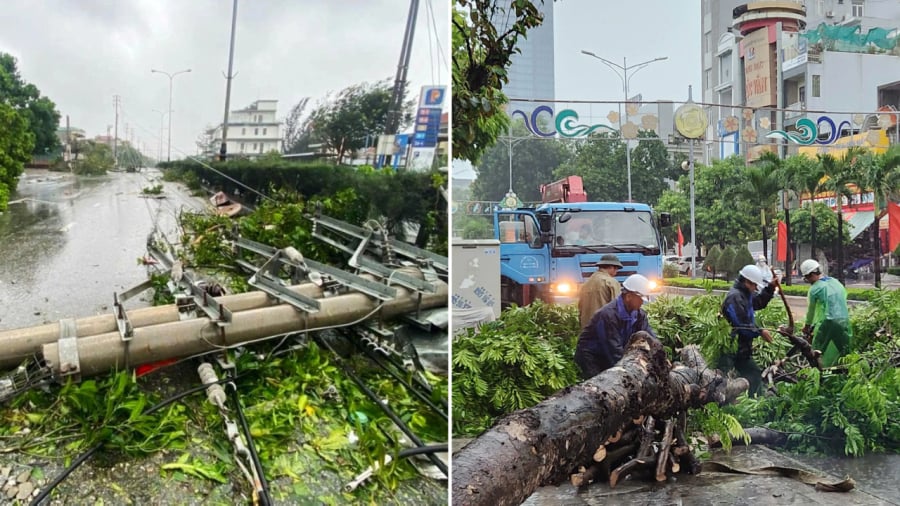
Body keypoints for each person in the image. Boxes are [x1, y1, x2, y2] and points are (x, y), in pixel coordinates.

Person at [574, 274, 657, 380]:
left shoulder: (639, 315)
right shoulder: (608, 315)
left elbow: (649, 336)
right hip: (592, 358)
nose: (642, 303)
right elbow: (614, 351)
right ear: (628, 297)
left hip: (612, 352)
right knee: (602, 387)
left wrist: (659, 354)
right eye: (640, 299)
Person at [719, 264, 778, 395]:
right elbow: (742, 324)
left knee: (752, 375)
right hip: (733, 349)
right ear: (747, 282)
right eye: (754, 285)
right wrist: (760, 331)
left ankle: (752, 401)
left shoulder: (744, 295)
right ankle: (754, 403)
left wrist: (770, 288)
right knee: (749, 376)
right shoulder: (735, 297)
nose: (756, 288)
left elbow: (758, 302)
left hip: (742, 348)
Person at [800, 259, 852, 367]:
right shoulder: (835, 282)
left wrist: (807, 326)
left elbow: (811, 311)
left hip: (828, 322)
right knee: (846, 352)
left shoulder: (815, 288)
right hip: (844, 320)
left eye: (807, 277)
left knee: (815, 352)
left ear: (812, 274)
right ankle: (848, 374)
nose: (808, 280)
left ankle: (817, 376)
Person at [578, 254, 622, 328]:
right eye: (617, 268)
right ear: (611, 267)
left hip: (587, 329)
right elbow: (618, 309)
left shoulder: (586, 284)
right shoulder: (611, 282)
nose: (617, 271)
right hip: (605, 328)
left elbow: (580, 309)